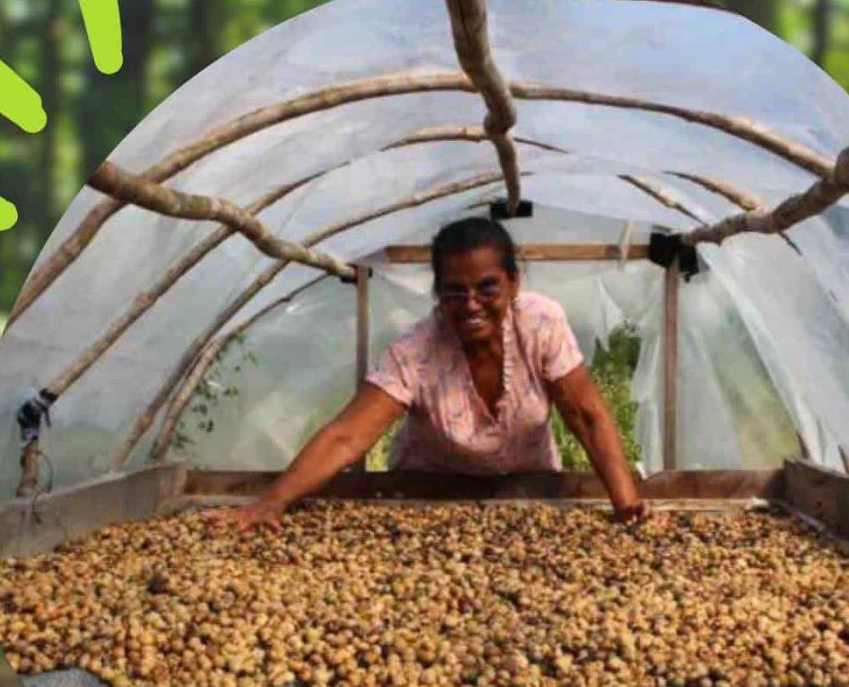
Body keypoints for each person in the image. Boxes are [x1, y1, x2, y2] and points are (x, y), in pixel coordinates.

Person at [212, 216, 648, 530]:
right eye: (455, 291)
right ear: (439, 294)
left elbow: (587, 416)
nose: (471, 304)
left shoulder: (541, 323)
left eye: (487, 287)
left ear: (513, 283)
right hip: (425, 496)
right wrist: (270, 504)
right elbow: (347, 436)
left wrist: (626, 505)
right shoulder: (416, 351)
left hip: (527, 491)